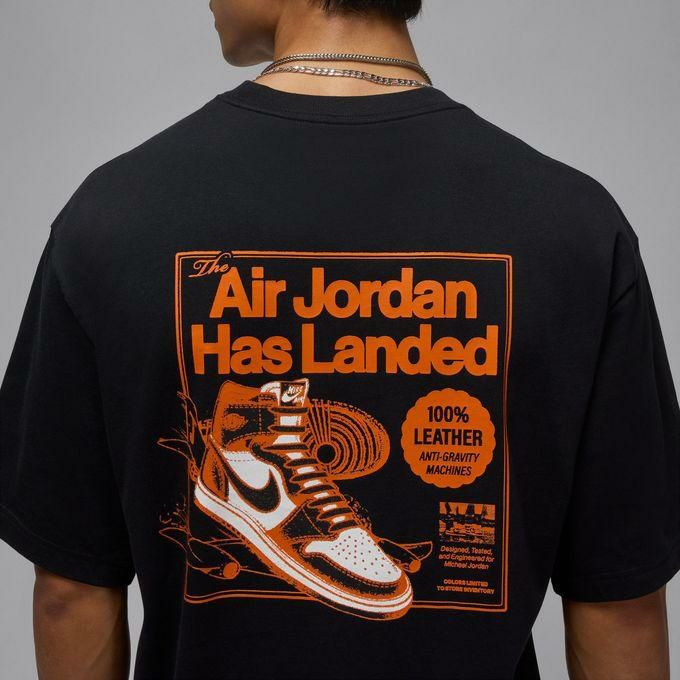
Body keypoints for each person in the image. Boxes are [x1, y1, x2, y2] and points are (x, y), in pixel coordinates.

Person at [0, 1, 677, 678]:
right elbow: (621, 605)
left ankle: (245, 474)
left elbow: (70, 592)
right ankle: (246, 469)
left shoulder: (113, 217)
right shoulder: (574, 229)